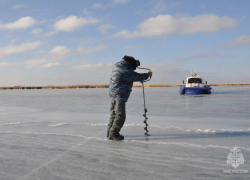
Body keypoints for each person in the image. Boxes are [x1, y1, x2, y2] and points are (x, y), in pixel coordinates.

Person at [107, 55, 153, 140]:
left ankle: (109, 132)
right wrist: (147, 75)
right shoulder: (124, 69)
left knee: (114, 114)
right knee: (120, 115)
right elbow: (133, 76)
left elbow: (130, 73)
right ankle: (113, 133)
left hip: (113, 93)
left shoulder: (118, 65)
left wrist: (135, 65)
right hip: (119, 94)